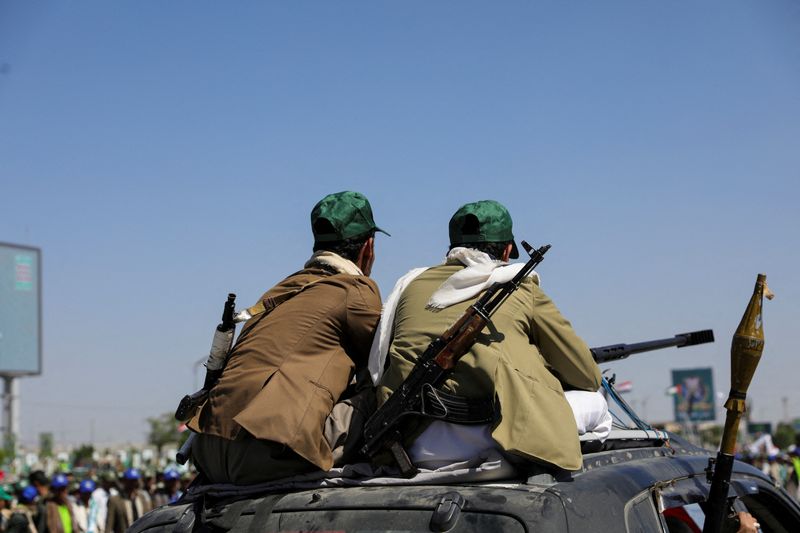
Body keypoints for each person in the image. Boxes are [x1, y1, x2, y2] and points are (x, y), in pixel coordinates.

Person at [373, 200, 603, 473]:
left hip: (413, 445)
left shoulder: (409, 286)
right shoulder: (522, 287)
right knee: (597, 404)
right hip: (500, 441)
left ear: (452, 249)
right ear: (507, 251)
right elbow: (586, 377)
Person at [189, 191, 386, 484]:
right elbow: (385, 360)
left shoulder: (276, 293)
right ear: (368, 248)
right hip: (271, 453)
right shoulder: (356, 291)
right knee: (389, 385)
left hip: (207, 451)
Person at [104, 469, 151, 533]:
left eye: (135, 480)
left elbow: (148, 520)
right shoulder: (115, 500)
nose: (133, 483)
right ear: (124, 481)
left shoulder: (141, 498)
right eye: (131, 481)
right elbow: (109, 526)